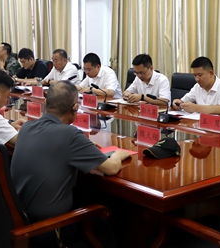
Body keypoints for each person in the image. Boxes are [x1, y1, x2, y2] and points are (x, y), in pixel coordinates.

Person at [11, 81, 130, 222]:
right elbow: (111, 168)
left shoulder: (27, 127)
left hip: (20, 217)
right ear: (75, 107)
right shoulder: (70, 134)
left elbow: (52, 145)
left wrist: (82, 147)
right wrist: (117, 155)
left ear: (46, 102)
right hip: (51, 225)